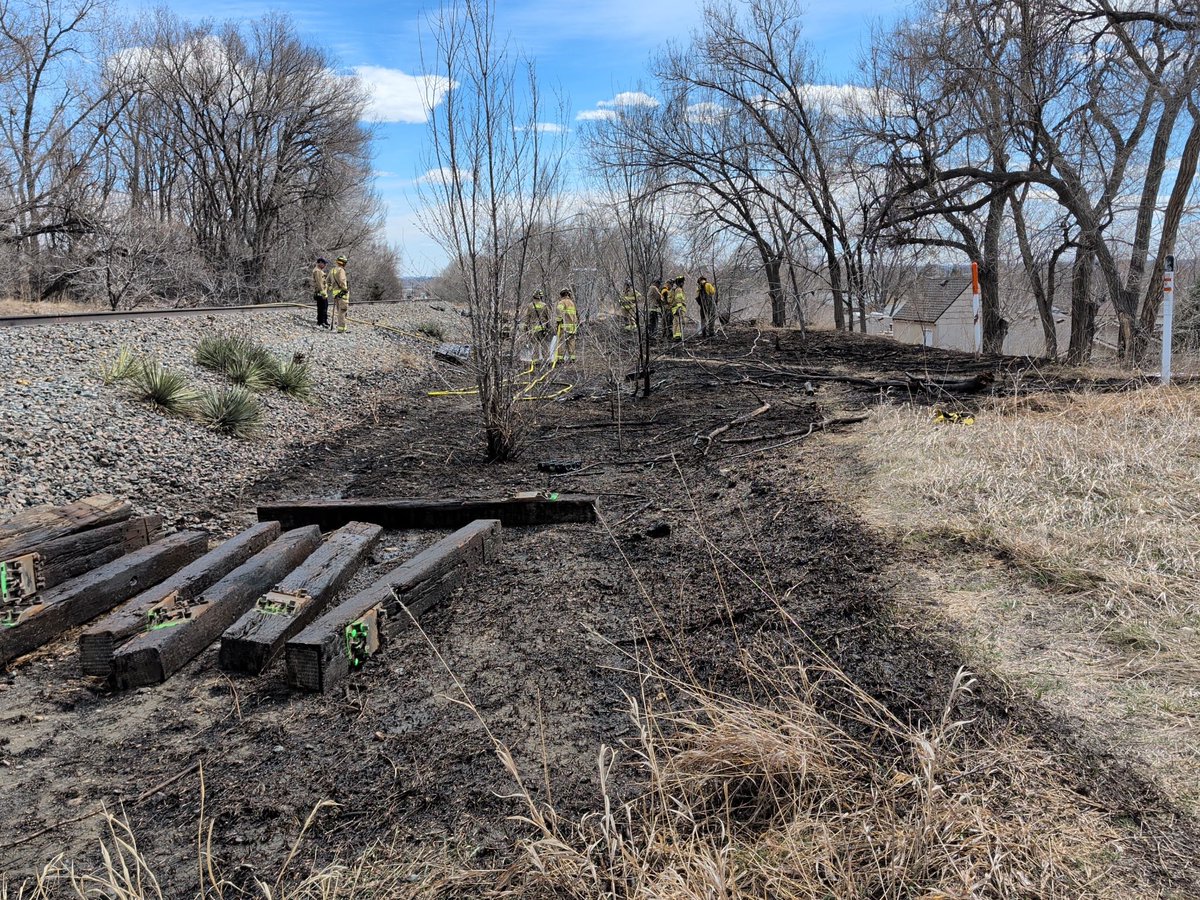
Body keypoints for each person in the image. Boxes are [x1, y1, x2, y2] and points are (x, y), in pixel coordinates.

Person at [523, 289, 552, 360]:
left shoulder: (530, 306)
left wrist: (525, 327)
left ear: (534, 296)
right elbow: (549, 317)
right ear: (541, 297)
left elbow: (527, 318)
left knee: (535, 345)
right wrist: (549, 327)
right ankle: (546, 360)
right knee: (544, 345)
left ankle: (535, 360)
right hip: (542, 328)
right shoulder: (544, 305)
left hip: (533, 329)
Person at [555, 288, 578, 362]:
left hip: (564, 326)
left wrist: (558, 321)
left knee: (561, 342)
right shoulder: (572, 303)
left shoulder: (561, 302)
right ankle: (572, 357)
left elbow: (559, 311)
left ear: (561, 295)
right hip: (572, 326)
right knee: (571, 342)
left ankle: (560, 359)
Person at [330, 255, 350, 333]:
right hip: (342, 295)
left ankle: (341, 328)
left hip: (336, 295)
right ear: (344, 263)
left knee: (339, 311)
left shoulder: (332, 270)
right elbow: (342, 281)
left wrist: (332, 289)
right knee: (342, 311)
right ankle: (341, 329)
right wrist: (345, 289)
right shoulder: (341, 270)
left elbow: (328, 281)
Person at [312, 257, 330, 329]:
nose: (325, 265)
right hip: (320, 292)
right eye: (324, 263)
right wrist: (323, 292)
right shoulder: (317, 271)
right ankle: (321, 322)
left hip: (323, 292)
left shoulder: (320, 271)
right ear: (320, 263)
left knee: (325, 306)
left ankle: (324, 321)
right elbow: (319, 283)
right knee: (322, 307)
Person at [670, 276, 687, 342]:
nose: (683, 283)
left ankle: (675, 336)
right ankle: (678, 336)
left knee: (675, 322)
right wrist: (679, 307)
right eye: (682, 282)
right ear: (680, 283)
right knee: (681, 322)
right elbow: (678, 298)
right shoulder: (679, 289)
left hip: (675, 308)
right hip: (678, 308)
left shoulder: (675, 289)